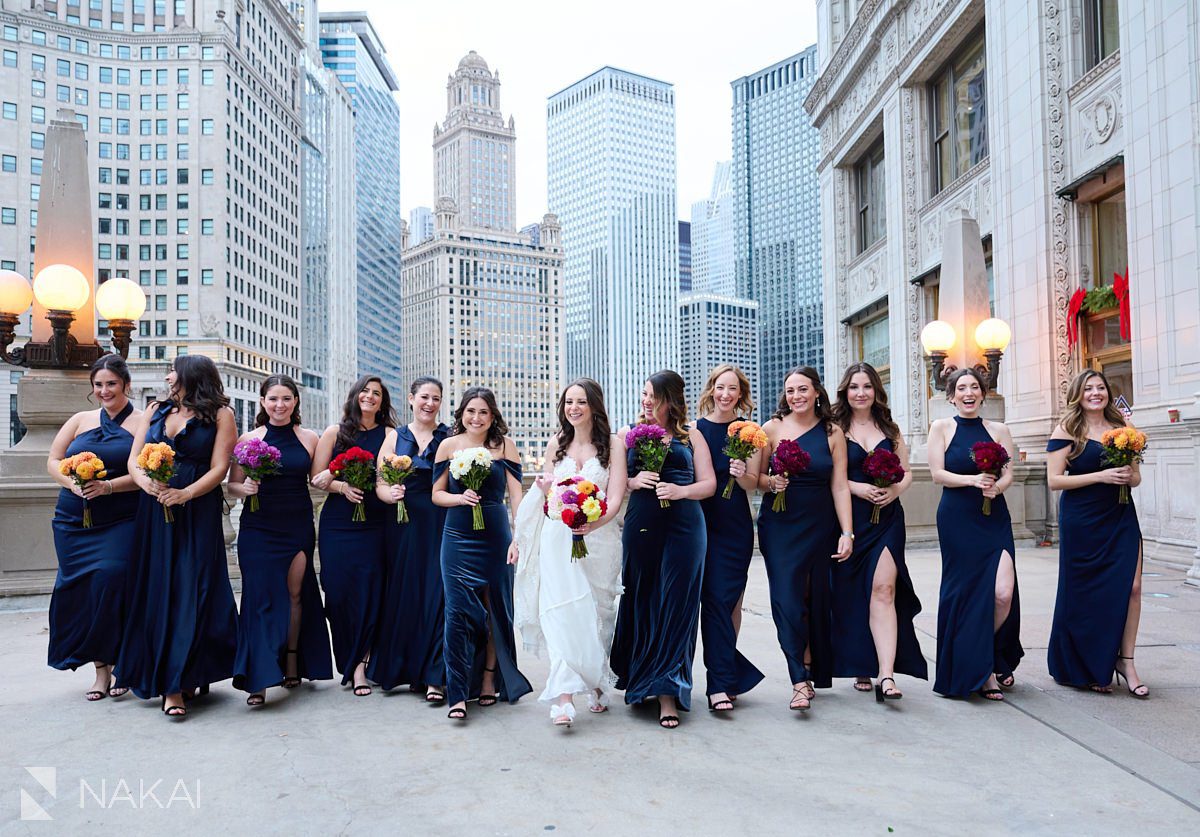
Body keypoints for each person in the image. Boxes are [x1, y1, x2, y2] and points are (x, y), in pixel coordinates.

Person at [117, 355, 238, 718]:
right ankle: (170, 679)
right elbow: (134, 460)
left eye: (173, 369)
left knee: (191, 590)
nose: (168, 375)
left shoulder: (221, 414)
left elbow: (220, 468)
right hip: (154, 512)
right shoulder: (154, 409)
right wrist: (147, 485)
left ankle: (179, 681)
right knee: (158, 590)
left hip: (196, 511)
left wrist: (185, 494)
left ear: (189, 375)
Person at [514, 378, 627, 727]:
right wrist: (546, 490)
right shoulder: (556, 444)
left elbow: (617, 496)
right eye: (568, 402)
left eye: (580, 401)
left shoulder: (613, 445)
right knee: (563, 612)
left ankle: (595, 680)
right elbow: (548, 495)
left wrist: (591, 525)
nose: (573, 408)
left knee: (599, 611)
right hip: (559, 541)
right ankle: (563, 696)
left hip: (600, 540)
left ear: (594, 405)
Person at [610, 370, 716, 729]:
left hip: (685, 526)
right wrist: (633, 480)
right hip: (642, 524)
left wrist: (681, 491)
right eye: (643, 394)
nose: (646, 401)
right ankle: (642, 682)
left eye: (652, 395)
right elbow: (614, 482)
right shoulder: (628, 434)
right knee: (643, 598)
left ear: (670, 398)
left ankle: (669, 690)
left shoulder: (692, 435)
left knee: (677, 603)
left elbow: (709, 484)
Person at [229, 375, 332, 706]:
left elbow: (317, 480)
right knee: (258, 597)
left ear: (295, 402)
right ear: (262, 402)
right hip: (259, 526)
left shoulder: (309, 438)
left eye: (286, 398)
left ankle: (291, 660)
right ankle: (257, 678)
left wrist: (335, 474)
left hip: (298, 522)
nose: (280, 405)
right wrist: (243, 489)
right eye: (273, 398)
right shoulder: (249, 438)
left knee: (295, 595)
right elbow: (233, 484)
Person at [757, 366, 854, 712]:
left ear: (816, 392)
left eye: (802, 389)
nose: (795, 396)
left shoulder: (832, 432)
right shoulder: (770, 428)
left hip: (820, 524)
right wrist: (773, 483)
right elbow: (756, 480)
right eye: (790, 390)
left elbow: (839, 485)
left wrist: (846, 532)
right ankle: (798, 679)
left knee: (813, 599)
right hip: (780, 526)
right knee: (786, 599)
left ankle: (809, 665)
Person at [46, 354, 142, 701]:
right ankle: (101, 671)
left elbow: (146, 471)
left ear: (126, 385)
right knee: (84, 592)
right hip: (73, 520)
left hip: (121, 519)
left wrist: (109, 487)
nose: (104, 390)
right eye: (98, 385)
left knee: (110, 580)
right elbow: (53, 460)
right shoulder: (80, 419)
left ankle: (122, 662)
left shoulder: (143, 422)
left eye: (111, 384)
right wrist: (71, 484)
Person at [433, 387, 532, 721]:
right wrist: (460, 499)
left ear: (493, 416)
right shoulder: (448, 445)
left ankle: (490, 678)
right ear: (462, 413)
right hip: (457, 536)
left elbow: (516, 496)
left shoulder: (505, 446)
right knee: (456, 613)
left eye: (484, 412)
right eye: (470, 411)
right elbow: (436, 494)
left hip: (495, 536)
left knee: (496, 610)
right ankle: (458, 693)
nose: (476, 418)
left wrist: (519, 536)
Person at [830, 362, 927, 702]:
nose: (861, 393)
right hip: (849, 518)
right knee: (853, 591)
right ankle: (861, 662)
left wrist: (894, 491)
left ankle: (886, 675)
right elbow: (831, 476)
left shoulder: (890, 427)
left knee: (884, 588)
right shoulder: (834, 428)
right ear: (845, 391)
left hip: (887, 518)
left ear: (876, 391)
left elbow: (907, 472)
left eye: (867, 386)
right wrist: (857, 488)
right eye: (854, 387)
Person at [1047, 370, 1147, 697]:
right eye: (1088, 388)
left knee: (1131, 588)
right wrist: (1101, 477)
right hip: (1082, 519)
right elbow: (1055, 480)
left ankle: (1126, 661)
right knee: (1084, 591)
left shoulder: (1123, 430)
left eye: (1100, 387)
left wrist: (1125, 476)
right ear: (1078, 394)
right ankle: (1083, 664)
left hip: (1119, 515)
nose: (1095, 393)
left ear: (1107, 392)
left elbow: (1136, 478)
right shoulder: (1067, 429)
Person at [928, 367, 1022, 700]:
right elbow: (937, 474)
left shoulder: (1000, 429)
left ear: (983, 393)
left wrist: (997, 486)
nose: (968, 393)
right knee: (965, 592)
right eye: (961, 388)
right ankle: (984, 668)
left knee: (1002, 593)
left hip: (994, 516)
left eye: (974, 387)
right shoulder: (941, 427)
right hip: (957, 517)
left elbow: (1010, 473)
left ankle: (986, 655)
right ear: (951, 396)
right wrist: (973, 481)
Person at [310, 375, 396, 696]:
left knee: (371, 590)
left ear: (382, 401)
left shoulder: (389, 434)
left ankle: (361, 665)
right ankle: (348, 658)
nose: (370, 397)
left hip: (375, 521)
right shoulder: (335, 432)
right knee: (337, 591)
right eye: (365, 391)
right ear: (355, 395)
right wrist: (342, 485)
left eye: (376, 393)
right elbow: (316, 478)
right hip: (338, 523)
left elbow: (391, 472)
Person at [370, 376, 451, 701]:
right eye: (424, 397)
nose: (429, 403)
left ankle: (435, 676)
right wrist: (390, 494)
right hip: (402, 523)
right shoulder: (394, 437)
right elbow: (379, 483)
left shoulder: (449, 436)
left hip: (437, 520)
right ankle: (401, 668)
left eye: (435, 398)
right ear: (412, 399)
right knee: (404, 592)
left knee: (437, 593)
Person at [693, 364, 765, 711]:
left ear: (741, 394)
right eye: (720, 388)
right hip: (701, 524)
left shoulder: (750, 432)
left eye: (732, 389)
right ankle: (721, 679)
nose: (725, 394)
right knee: (714, 602)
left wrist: (743, 474)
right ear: (711, 390)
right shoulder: (695, 430)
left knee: (729, 602)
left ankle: (724, 674)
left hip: (735, 524)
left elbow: (754, 483)